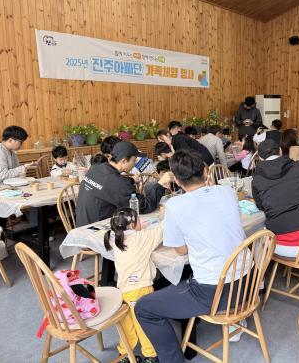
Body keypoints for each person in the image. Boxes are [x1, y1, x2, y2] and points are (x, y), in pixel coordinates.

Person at [134, 150, 247, 363]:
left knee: (144, 308)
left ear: (176, 180)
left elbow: (182, 251)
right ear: (206, 171)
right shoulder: (227, 191)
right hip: (247, 283)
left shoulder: (175, 205)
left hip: (215, 292)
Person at [103, 207, 162, 363]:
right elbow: (162, 229)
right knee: (144, 323)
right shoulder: (141, 238)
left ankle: (125, 354)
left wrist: (138, 228)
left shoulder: (114, 238)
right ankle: (151, 355)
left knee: (127, 323)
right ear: (132, 225)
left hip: (124, 290)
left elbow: (131, 235)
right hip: (141, 289)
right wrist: (164, 215)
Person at [76, 141, 171, 226]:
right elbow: (145, 206)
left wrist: (131, 180)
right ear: (124, 161)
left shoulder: (96, 168)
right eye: (134, 160)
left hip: (81, 225)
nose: (134, 164)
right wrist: (160, 183)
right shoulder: (117, 183)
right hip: (96, 230)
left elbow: (110, 185)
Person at [251, 140, 299, 257]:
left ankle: (260, 269)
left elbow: (261, 206)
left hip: (285, 245)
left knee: (256, 233)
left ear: (260, 158)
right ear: (280, 151)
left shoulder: (257, 179)